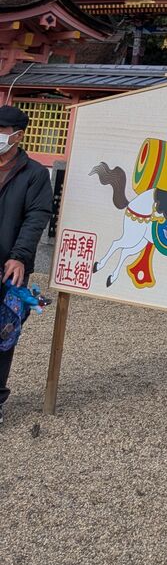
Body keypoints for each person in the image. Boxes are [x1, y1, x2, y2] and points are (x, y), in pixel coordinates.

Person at [0, 104, 52, 423]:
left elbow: (37, 216)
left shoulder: (34, 174)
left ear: (17, 136)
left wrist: (19, 256)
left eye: (2, 131)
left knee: (3, 333)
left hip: (9, 268)